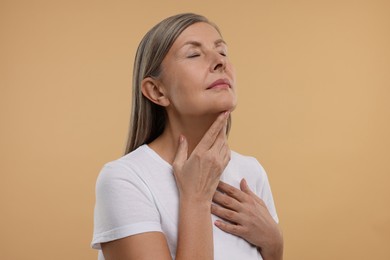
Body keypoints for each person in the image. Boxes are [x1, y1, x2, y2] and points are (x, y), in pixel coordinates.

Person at [91, 13, 283, 260]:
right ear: (157, 91)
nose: (219, 62)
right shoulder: (125, 180)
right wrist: (196, 199)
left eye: (222, 52)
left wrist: (274, 245)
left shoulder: (251, 172)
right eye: (194, 54)